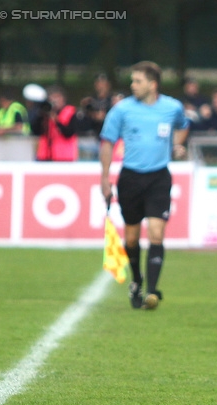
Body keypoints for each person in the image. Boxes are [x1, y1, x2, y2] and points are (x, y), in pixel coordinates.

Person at [99, 61, 189, 309]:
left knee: (157, 232)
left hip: (159, 177)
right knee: (131, 238)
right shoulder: (122, 110)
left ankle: (152, 290)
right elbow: (107, 143)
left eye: (137, 81)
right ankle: (137, 280)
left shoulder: (172, 107)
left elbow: (183, 126)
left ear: (152, 84)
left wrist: (177, 146)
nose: (132, 85)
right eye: (132, 80)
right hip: (130, 178)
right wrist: (104, 178)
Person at [31, 85, 79, 162]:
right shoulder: (45, 113)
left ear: (63, 99)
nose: (55, 101)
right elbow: (35, 131)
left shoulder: (70, 112)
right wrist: (41, 115)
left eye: (57, 97)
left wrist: (56, 120)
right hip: (45, 156)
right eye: (52, 98)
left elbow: (69, 133)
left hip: (64, 157)